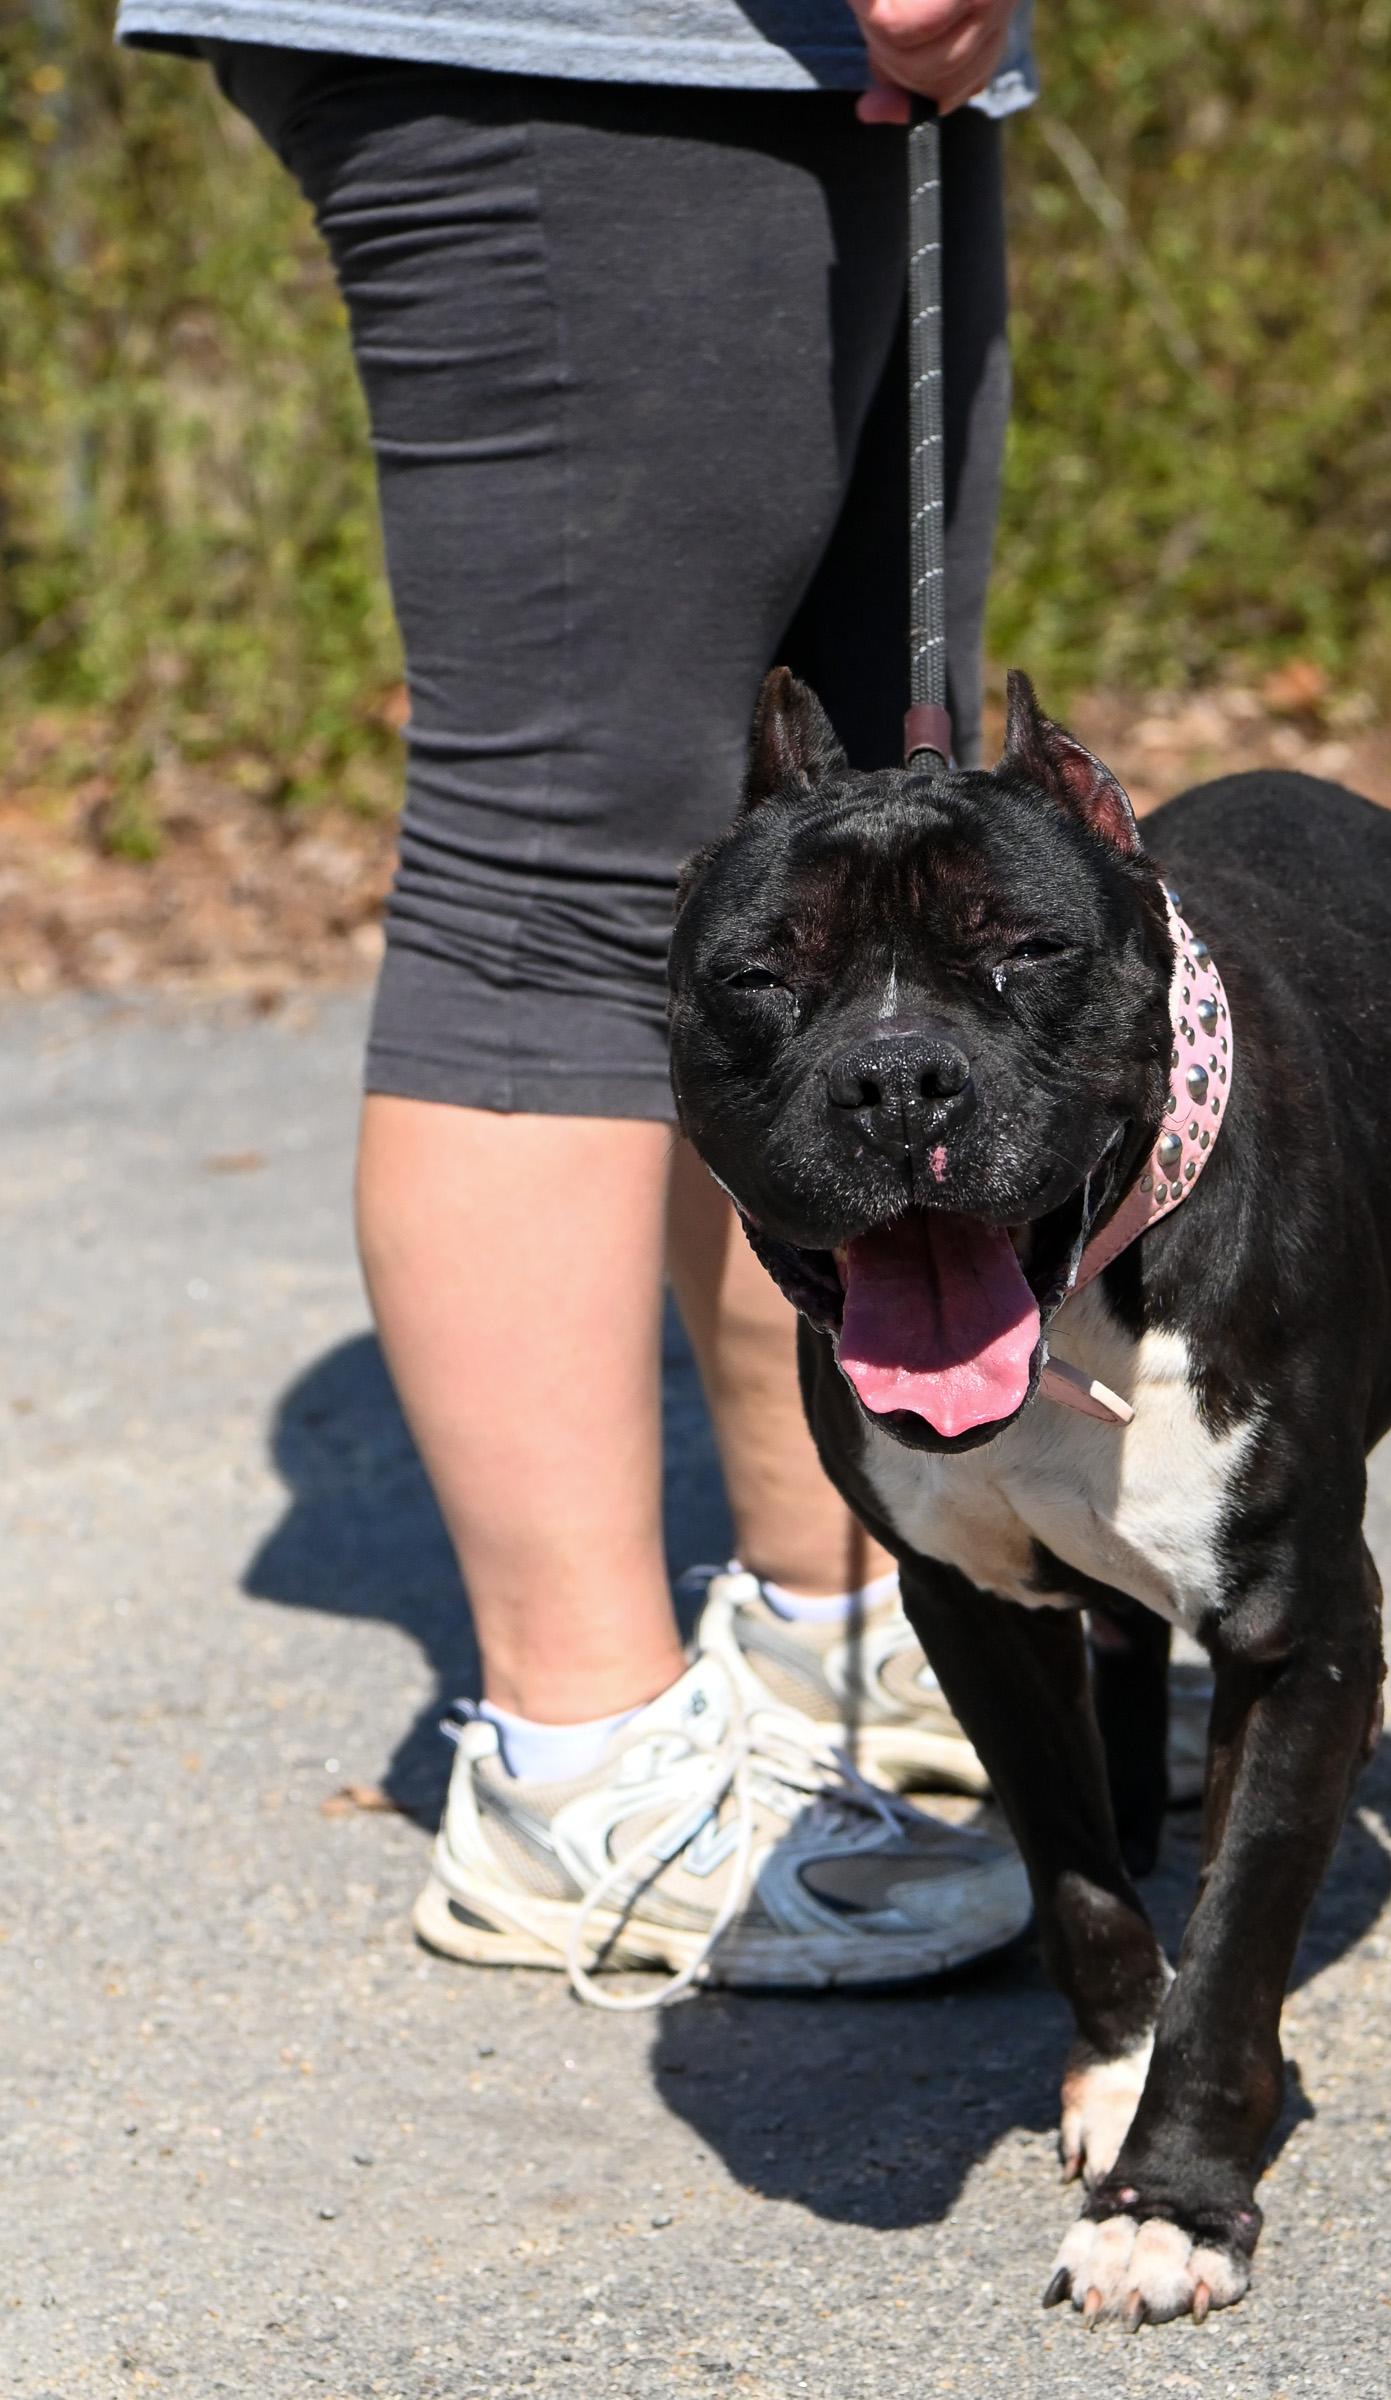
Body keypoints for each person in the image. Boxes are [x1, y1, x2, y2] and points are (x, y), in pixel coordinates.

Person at [116, 0, 1039, 2000]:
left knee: (843, 819)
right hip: (586, 43)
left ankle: (848, 1631)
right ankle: (579, 1768)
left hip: (829, 56)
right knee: (574, 857)